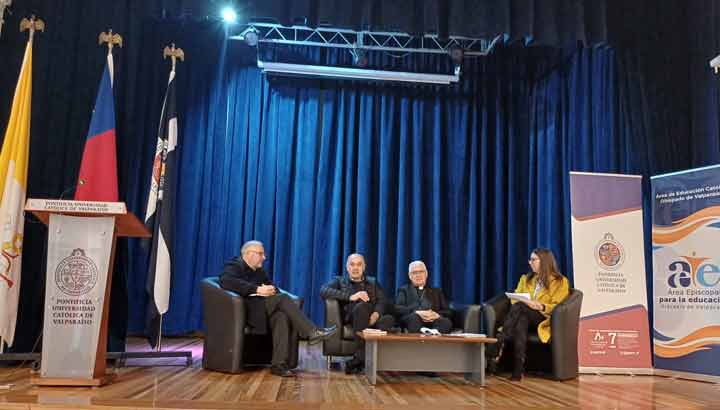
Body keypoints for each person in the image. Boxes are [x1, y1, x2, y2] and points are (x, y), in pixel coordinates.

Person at [219, 240, 337, 377]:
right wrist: (257, 289)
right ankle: (311, 332)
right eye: (261, 254)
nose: (264, 257)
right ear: (248, 254)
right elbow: (227, 281)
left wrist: (270, 289)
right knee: (283, 299)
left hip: (261, 310)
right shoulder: (234, 265)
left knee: (281, 316)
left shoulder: (259, 271)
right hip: (245, 311)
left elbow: (272, 287)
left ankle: (278, 364)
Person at [488, 248, 569, 381]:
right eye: (530, 259)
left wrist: (540, 305)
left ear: (544, 261)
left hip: (543, 317)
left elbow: (558, 305)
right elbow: (516, 298)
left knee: (521, 308)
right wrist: (526, 303)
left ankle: (500, 341)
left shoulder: (560, 281)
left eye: (533, 260)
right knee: (521, 320)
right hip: (523, 314)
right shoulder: (526, 279)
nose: (529, 262)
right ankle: (518, 369)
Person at [320, 253, 395, 374]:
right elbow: (323, 290)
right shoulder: (339, 281)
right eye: (352, 264)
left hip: (372, 319)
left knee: (389, 319)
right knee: (362, 306)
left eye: (359, 265)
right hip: (353, 317)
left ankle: (359, 359)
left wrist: (376, 314)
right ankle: (364, 358)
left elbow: (382, 301)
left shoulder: (373, 282)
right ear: (347, 267)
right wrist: (351, 296)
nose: (355, 268)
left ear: (364, 267)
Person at [395, 260, 452, 334]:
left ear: (426, 274)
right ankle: (422, 336)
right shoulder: (404, 290)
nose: (418, 275)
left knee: (446, 322)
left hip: (433, 321)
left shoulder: (437, 291)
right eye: (414, 273)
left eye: (421, 272)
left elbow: (448, 311)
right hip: (414, 319)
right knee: (414, 318)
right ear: (410, 276)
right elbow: (398, 308)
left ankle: (433, 333)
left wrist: (436, 314)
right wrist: (417, 312)